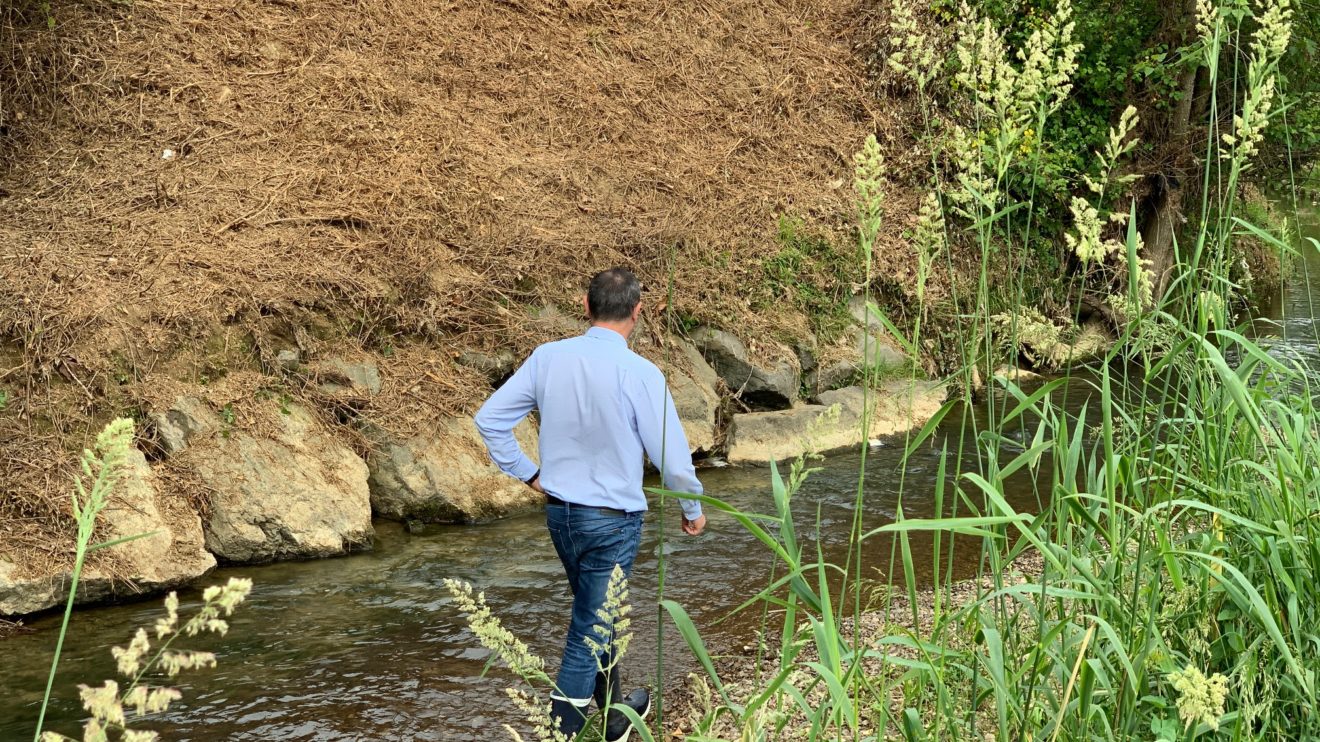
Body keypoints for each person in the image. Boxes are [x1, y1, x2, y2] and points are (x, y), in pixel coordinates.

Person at [474, 267, 707, 741]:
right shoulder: (641, 373)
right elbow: (672, 458)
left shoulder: (547, 358)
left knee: (595, 616)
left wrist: (529, 473)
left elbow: (489, 419)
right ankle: (561, 734)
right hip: (612, 522)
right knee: (589, 631)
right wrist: (692, 508)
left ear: (586, 305)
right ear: (638, 313)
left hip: (560, 516)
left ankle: (616, 715)